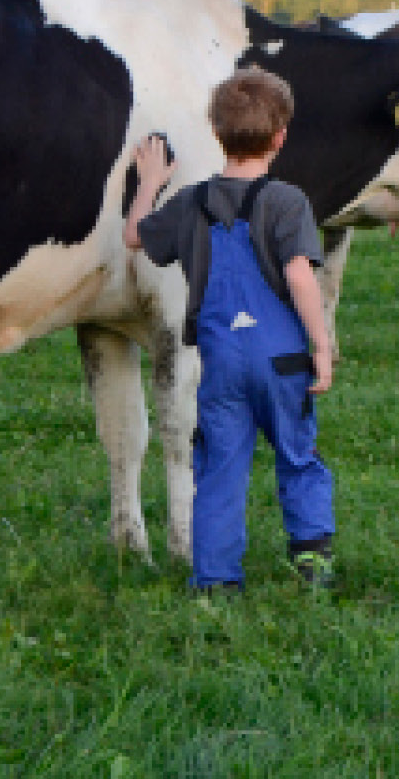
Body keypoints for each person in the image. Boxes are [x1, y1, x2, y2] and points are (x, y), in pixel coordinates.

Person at [125, 68, 341, 593]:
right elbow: (297, 274)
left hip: (220, 363)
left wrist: (150, 183)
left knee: (219, 470)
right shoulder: (287, 202)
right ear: (281, 136)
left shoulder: (191, 203)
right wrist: (322, 340)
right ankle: (313, 569)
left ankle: (216, 582)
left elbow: (135, 237)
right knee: (297, 456)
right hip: (282, 360)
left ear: (216, 133)